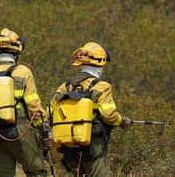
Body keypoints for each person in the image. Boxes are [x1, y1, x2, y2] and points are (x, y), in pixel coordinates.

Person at [0, 28, 51, 177]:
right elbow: (33, 106)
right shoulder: (22, 71)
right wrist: (44, 130)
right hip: (18, 130)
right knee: (37, 172)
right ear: (16, 53)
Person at [49, 42, 131, 177]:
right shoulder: (102, 86)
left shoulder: (65, 87)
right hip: (92, 145)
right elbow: (108, 114)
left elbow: (49, 113)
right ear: (101, 63)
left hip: (68, 145)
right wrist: (122, 121)